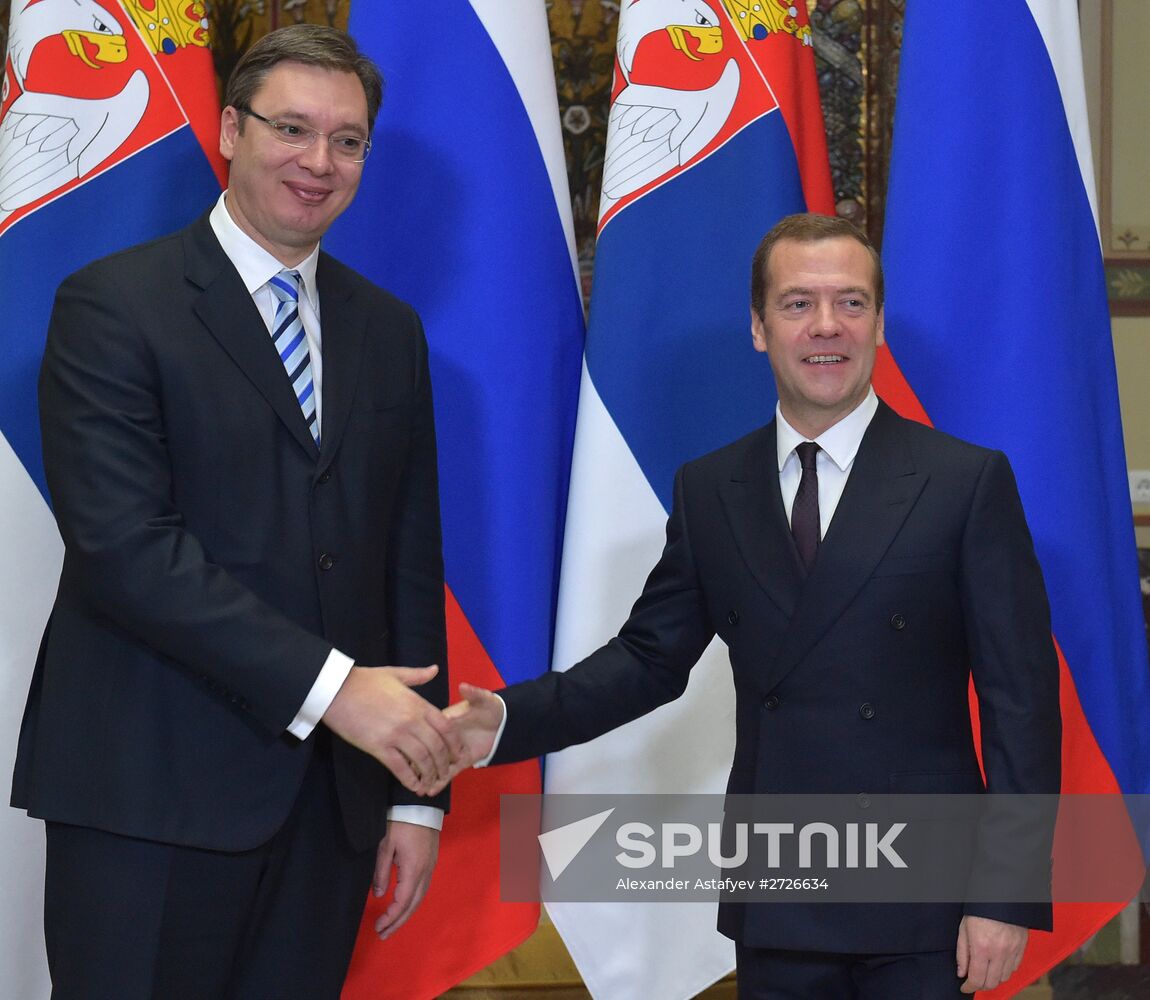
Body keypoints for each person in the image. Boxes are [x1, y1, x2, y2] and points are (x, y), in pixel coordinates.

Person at [448, 214, 1061, 999]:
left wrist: (1004, 895)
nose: (827, 326)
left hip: (925, 902)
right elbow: (647, 661)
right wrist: (504, 719)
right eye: (798, 304)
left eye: (851, 302)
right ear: (759, 327)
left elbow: (1022, 707)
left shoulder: (964, 482)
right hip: (782, 895)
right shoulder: (711, 489)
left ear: (877, 322)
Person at [11, 24, 459, 999]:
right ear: (228, 128)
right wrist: (339, 689)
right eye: (292, 128)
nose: (318, 161)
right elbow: (126, 550)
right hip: (150, 795)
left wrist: (417, 796)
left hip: (329, 811)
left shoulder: (388, 330)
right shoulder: (112, 305)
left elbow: (407, 560)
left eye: (347, 140)